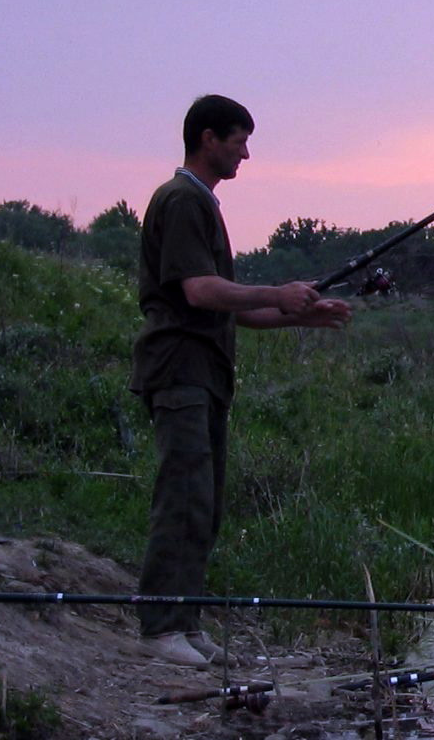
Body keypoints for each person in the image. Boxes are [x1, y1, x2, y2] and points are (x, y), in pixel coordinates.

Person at [131, 94, 352, 667]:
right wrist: (277, 292)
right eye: (238, 141)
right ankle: (160, 629)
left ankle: (186, 618)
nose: (246, 154)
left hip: (206, 376)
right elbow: (199, 292)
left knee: (205, 500)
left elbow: (236, 311)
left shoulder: (202, 203)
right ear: (208, 138)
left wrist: (303, 313)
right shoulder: (181, 200)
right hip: (179, 370)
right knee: (181, 497)